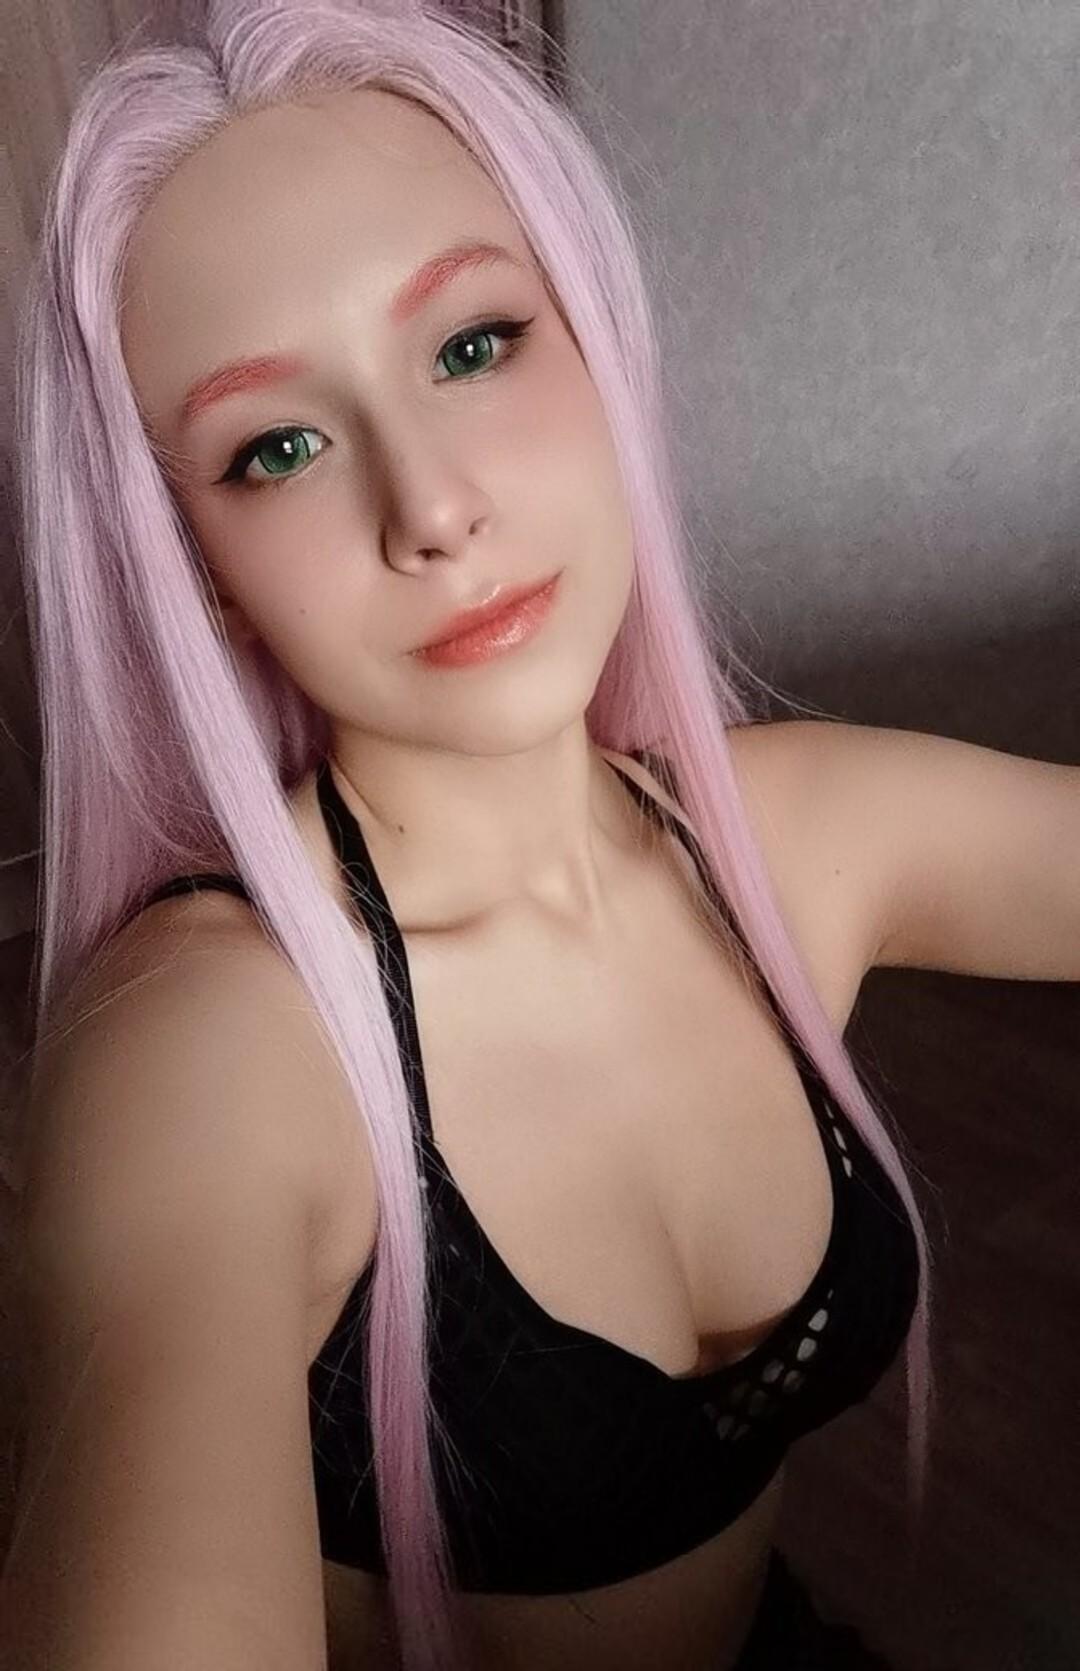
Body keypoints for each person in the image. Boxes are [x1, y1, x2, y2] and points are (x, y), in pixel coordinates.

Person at [4, 3, 933, 1667]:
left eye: (475, 345)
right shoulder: (208, 1049)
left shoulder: (801, 835)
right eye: (277, 448)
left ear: (598, 339)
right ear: (197, 571)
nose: (432, 509)